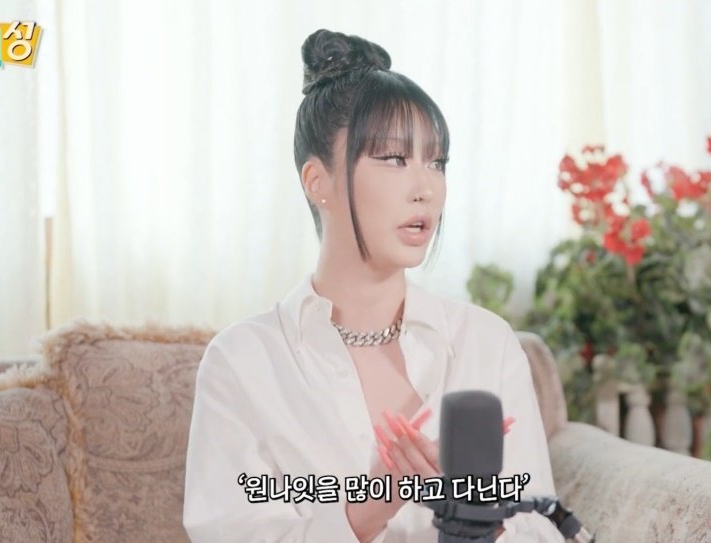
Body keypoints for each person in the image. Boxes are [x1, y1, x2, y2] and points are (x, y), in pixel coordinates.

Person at [183, 29, 566, 542]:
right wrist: (371, 505)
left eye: (436, 162)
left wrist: (474, 517)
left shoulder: (485, 344)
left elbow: (539, 529)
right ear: (317, 181)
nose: (426, 187)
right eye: (393, 158)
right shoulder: (244, 361)